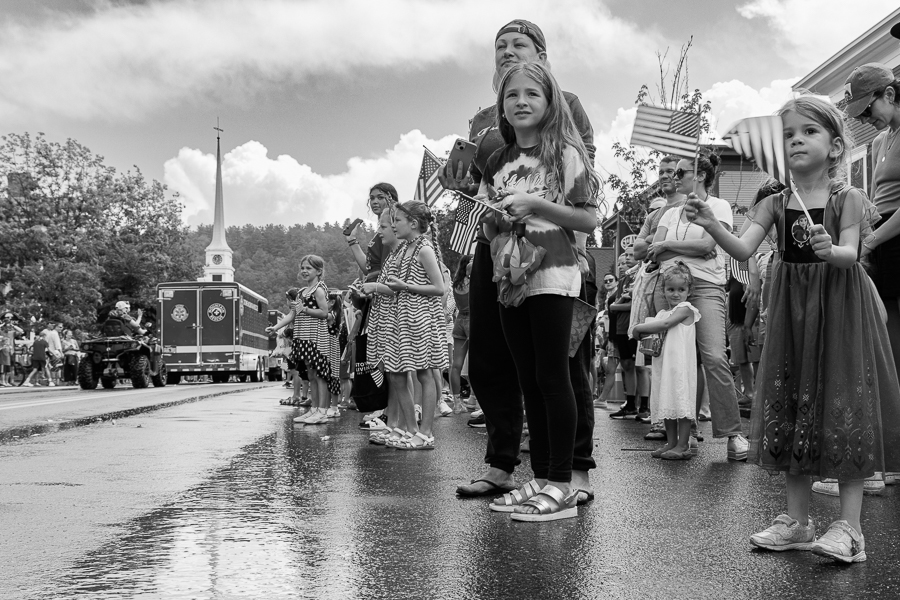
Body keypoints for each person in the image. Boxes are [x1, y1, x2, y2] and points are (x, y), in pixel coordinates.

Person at [685, 95, 900, 563]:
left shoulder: (847, 199)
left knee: (844, 405)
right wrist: (711, 225)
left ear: (836, 146)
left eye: (809, 131)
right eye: (788, 135)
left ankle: (851, 530)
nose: (796, 140)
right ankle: (798, 521)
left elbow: (851, 253)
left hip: (839, 309)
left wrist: (831, 251)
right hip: (793, 313)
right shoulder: (775, 203)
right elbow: (742, 249)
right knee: (793, 405)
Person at [442, 19, 597, 500]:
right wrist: (464, 186)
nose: (508, 51)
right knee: (492, 359)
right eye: (501, 45)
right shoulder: (485, 119)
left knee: (560, 366)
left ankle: (572, 472)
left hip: (553, 252)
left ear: (542, 56)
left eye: (519, 44)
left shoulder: (565, 104)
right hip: (497, 247)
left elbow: (581, 183)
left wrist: (575, 242)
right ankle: (503, 464)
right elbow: (483, 183)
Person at [479, 61, 599, 521]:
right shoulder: (496, 162)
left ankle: (562, 484)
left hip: (554, 273)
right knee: (527, 379)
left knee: (552, 376)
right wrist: (494, 218)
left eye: (532, 93)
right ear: (501, 106)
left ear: (550, 102)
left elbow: (587, 218)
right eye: (512, 95)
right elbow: (487, 227)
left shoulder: (564, 154)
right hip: (509, 278)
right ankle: (542, 476)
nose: (521, 102)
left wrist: (534, 203)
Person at [649, 152, 748, 461]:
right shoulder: (668, 214)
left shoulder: (718, 206)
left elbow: (708, 244)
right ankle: (685, 434)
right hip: (671, 289)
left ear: (701, 176)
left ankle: (732, 434)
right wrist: (677, 249)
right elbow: (652, 252)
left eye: (681, 172)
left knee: (714, 356)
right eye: (673, 172)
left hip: (706, 287)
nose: (673, 177)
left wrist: (668, 246)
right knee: (676, 362)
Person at [845, 62, 900, 489]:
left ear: (890, 94)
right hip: (881, 242)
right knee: (887, 346)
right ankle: (891, 457)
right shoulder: (882, 140)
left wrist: (870, 240)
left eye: (869, 109)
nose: (866, 119)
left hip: (891, 240)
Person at [382, 201, 448, 450]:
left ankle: (426, 432)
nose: (394, 225)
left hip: (421, 318)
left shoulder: (424, 249)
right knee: (398, 373)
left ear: (413, 223)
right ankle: (411, 429)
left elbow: (439, 288)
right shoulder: (404, 248)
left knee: (424, 373)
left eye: (397, 220)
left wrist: (405, 286)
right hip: (402, 319)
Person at [633, 262, 700, 460]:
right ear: (663, 290)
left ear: (689, 291)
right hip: (665, 366)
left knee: (681, 402)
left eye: (681, 289)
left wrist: (638, 328)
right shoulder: (662, 313)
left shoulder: (686, 309)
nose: (675, 294)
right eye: (671, 289)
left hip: (680, 367)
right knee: (668, 402)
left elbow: (666, 324)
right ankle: (671, 442)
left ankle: (683, 444)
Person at [268, 255, 341, 425]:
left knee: (320, 375)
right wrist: (276, 327)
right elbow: (292, 314)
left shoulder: (319, 290)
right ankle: (314, 409)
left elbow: (324, 313)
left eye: (308, 268)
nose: (304, 271)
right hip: (302, 338)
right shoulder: (301, 292)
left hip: (317, 339)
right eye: (302, 268)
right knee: (311, 375)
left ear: (319, 271)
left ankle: (322, 411)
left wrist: (305, 309)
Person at [361, 208, 407, 446]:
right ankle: (395, 424)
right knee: (391, 375)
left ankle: (404, 427)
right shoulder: (392, 255)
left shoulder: (404, 254)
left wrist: (375, 288)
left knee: (399, 376)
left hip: (396, 319)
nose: (379, 232)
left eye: (383, 226)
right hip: (385, 319)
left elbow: (403, 287)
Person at [449, 255, 472, 414]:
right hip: (472, 320)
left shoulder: (456, 283)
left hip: (459, 321)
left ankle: (457, 403)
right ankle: (476, 399)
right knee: (477, 362)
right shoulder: (472, 282)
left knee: (456, 365)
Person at [0, 313, 24, 387]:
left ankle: (10, 381)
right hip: (3, 351)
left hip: (11, 351)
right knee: (3, 367)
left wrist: (13, 325)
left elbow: (21, 331)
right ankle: (3, 381)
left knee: (10, 367)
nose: (8, 328)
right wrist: (3, 324)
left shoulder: (12, 332)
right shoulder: (1, 332)